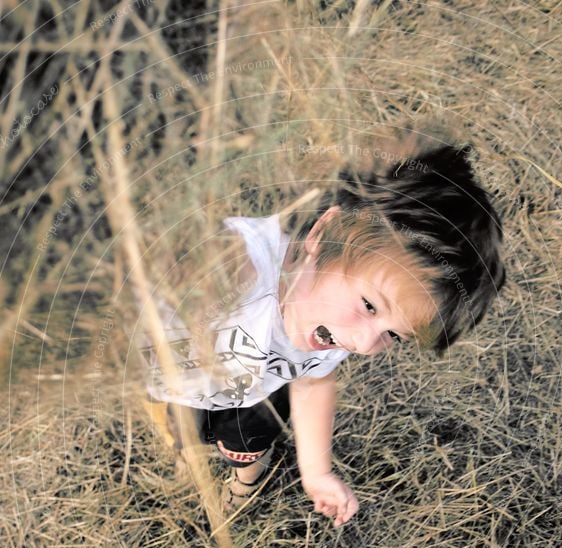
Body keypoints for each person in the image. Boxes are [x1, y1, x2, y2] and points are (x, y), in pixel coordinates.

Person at [138, 127, 506, 527]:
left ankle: (245, 482)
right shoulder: (244, 268)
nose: (364, 343)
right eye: (369, 306)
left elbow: (314, 380)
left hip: (256, 396)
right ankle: (185, 454)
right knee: (181, 429)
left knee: (246, 446)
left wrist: (317, 472)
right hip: (179, 382)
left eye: (393, 335)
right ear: (324, 233)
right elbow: (182, 251)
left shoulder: (334, 324)